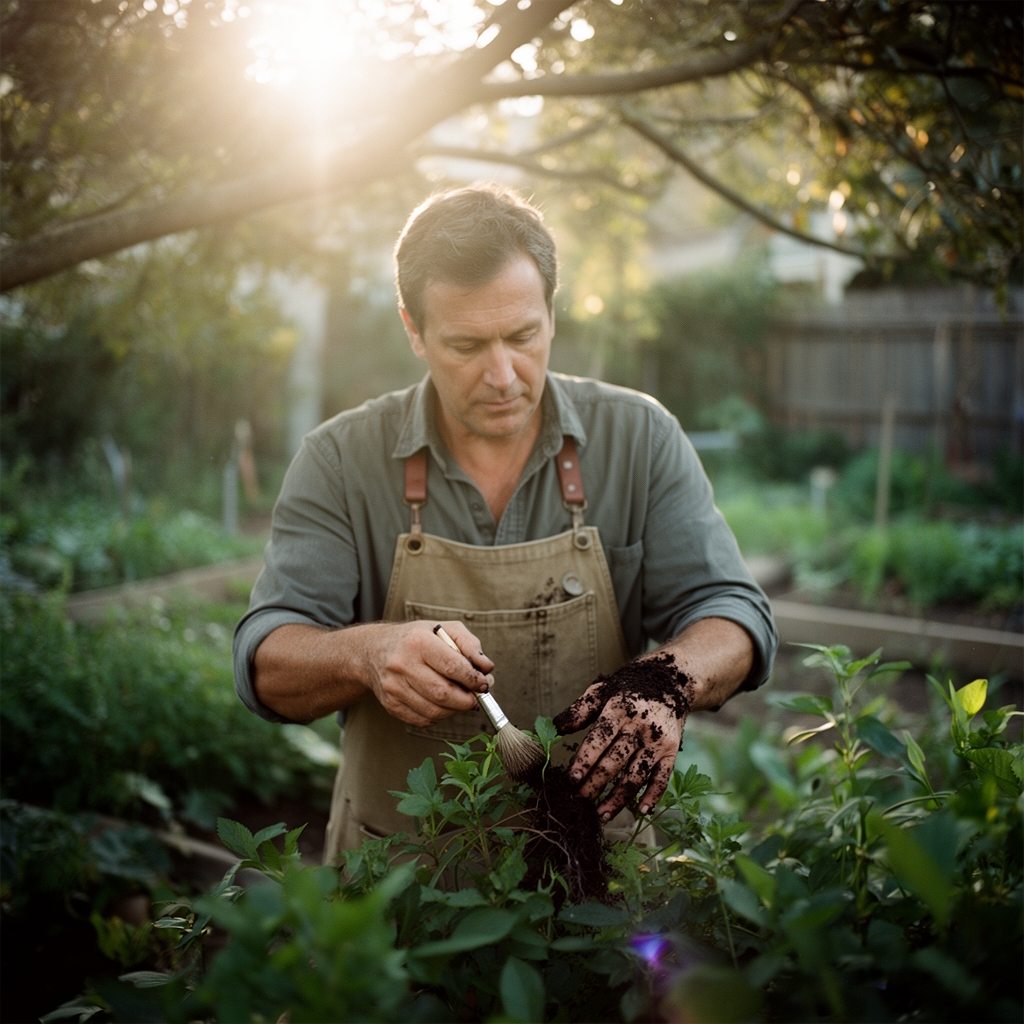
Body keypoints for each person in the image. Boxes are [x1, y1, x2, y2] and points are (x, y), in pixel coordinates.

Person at [233, 183, 778, 862]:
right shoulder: (340, 460)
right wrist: (367, 655)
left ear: (552, 313)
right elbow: (265, 659)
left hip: (596, 879)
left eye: (522, 336)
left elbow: (733, 613)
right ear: (414, 329)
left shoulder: (639, 438)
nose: (502, 375)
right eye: (466, 345)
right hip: (399, 883)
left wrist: (667, 679)